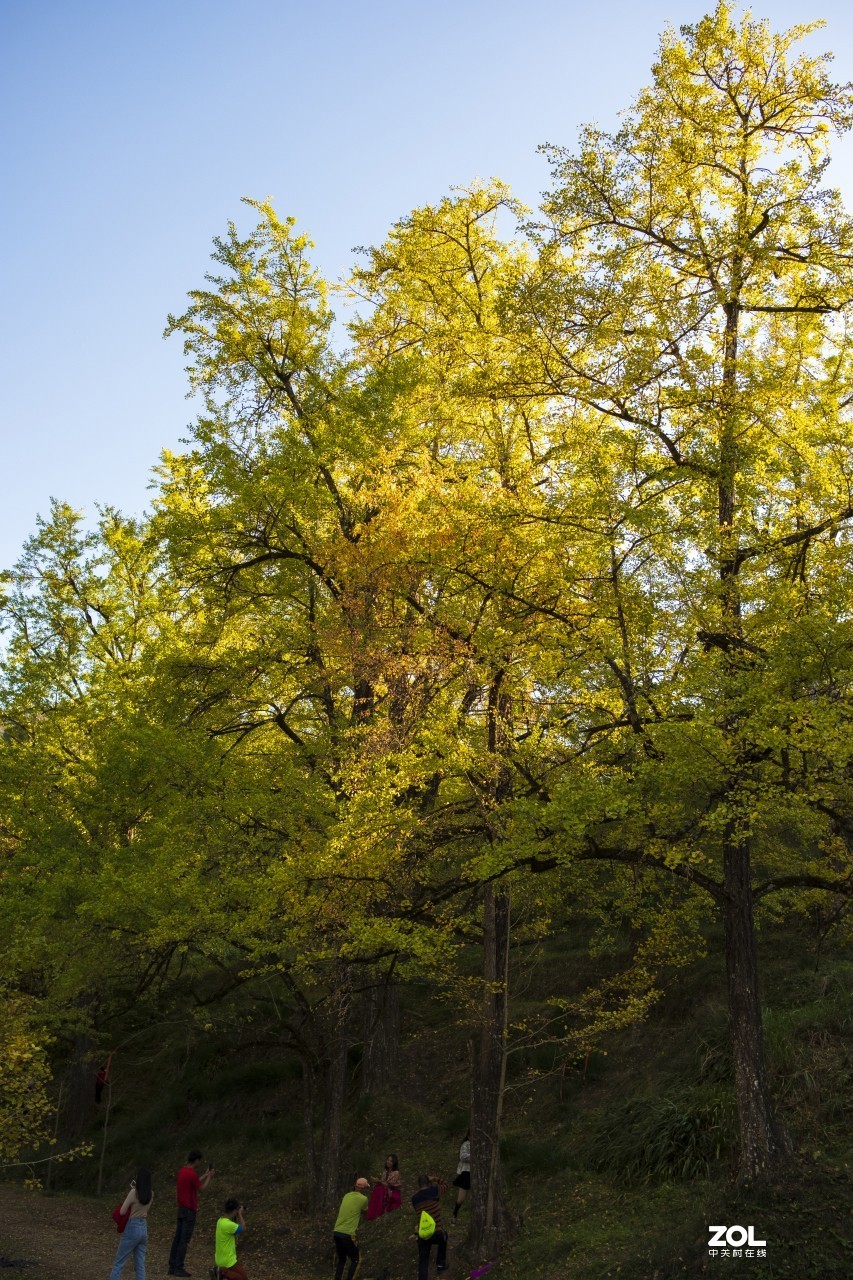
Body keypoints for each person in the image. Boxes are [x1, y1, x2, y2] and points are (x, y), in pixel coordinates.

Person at [168, 1148, 215, 1277]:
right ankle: (179, 1267)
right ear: (196, 1160)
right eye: (200, 1161)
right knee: (184, 1240)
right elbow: (202, 1189)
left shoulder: (183, 1171)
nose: (200, 1163)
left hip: (181, 1209)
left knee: (177, 1238)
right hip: (189, 1210)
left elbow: (192, 1183)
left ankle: (172, 1266)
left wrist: (204, 1175)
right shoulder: (192, 1173)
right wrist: (209, 1178)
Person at [108, 1167, 153, 1280]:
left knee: (119, 1263)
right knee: (140, 1265)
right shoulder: (151, 1193)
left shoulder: (133, 1192)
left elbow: (123, 1211)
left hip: (132, 1227)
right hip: (143, 1228)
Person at [411, 1172, 449, 1280]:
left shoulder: (414, 1199)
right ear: (429, 1183)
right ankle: (441, 1264)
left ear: (419, 1185)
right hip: (437, 1233)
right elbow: (446, 1184)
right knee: (444, 1236)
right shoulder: (435, 1191)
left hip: (423, 1234)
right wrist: (435, 1179)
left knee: (423, 1259)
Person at [332, 1176, 370, 1280]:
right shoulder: (364, 1199)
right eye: (366, 1188)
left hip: (336, 1232)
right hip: (348, 1234)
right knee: (356, 1259)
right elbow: (366, 1213)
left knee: (342, 1260)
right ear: (363, 1189)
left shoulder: (346, 1195)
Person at [212, 1198, 248, 1280]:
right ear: (235, 1210)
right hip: (228, 1261)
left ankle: (221, 1273)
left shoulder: (220, 1221)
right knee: (244, 1278)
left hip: (219, 1260)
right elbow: (244, 1228)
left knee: (237, 1276)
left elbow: (234, 1227)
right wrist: (240, 1214)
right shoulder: (229, 1225)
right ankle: (224, 1275)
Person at [367, 1153, 403, 1220]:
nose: (388, 1162)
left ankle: (379, 1210)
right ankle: (374, 1211)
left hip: (393, 1191)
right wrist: (376, 1181)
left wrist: (378, 1181)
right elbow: (383, 1182)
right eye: (388, 1160)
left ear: (394, 1163)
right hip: (385, 1188)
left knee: (380, 1189)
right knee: (377, 1188)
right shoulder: (385, 1171)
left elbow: (389, 1184)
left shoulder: (396, 1172)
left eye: (391, 1161)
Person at [452, 1131, 470, 1220]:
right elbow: (463, 1157)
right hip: (467, 1172)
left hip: (477, 1173)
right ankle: (455, 1214)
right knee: (461, 1198)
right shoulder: (466, 1144)